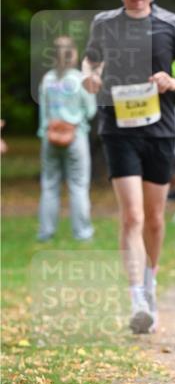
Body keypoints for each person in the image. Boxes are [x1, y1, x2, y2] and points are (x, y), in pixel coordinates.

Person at [82, 0, 175, 334]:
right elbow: (90, 62)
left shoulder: (172, 24)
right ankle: (136, 299)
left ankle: (150, 284)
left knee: (153, 218)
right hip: (118, 129)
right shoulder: (105, 24)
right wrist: (90, 77)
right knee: (132, 216)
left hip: (160, 131)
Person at [37, 35, 96, 242]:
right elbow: (91, 111)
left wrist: (45, 130)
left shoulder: (48, 79)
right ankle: (82, 233)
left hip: (50, 136)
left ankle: (46, 233)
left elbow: (43, 112)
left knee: (49, 185)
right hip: (75, 136)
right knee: (78, 185)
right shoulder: (80, 79)